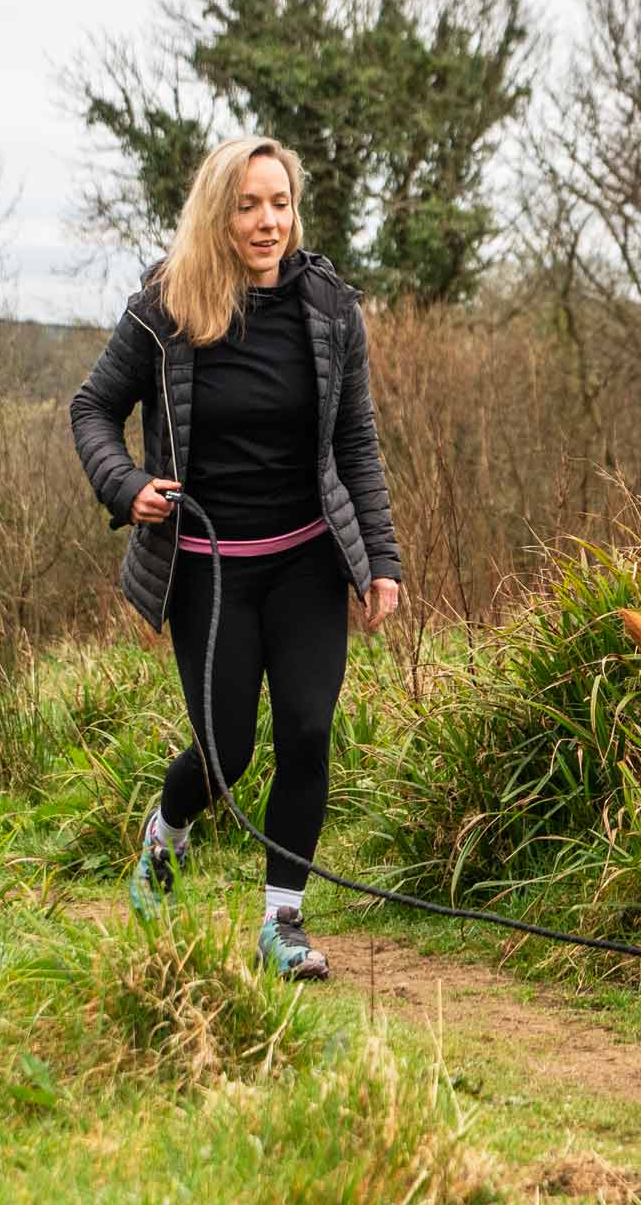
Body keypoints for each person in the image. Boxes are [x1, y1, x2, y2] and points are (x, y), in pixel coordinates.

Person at [69, 135, 401, 977]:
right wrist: (127, 486)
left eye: (280, 204)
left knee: (307, 732)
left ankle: (282, 921)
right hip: (208, 569)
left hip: (307, 561)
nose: (267, 222)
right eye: (248, 205)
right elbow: (92, 409)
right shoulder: (164, 308)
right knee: (227, 752)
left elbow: (357, 442)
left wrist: (381, 560)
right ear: (217, 214)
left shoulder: (329, 308)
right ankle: (167, 831)